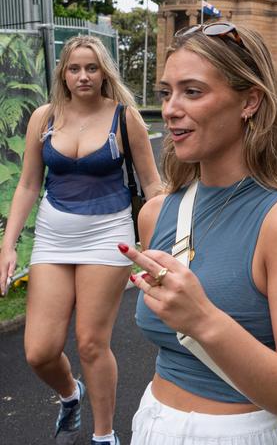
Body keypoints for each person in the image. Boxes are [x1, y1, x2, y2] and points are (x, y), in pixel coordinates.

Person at [121, 21, 277, 445]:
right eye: (167, 92)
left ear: (249, 101)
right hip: (152, 422)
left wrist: (204, 320)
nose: (170, 108)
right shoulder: (156, 213)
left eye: (193, 91)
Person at [0, 35, 161, 445]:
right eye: (75, 68)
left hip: (108, 236)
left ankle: (104, 435)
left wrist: (156, 243)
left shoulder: (125, 118)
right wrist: (8, 244)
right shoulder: (45, 117)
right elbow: (28, 185)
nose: (83, 76)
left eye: (91, 68)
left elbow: (152, 186)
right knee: (39, 350)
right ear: (64, 74)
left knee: (91, 343)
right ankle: (70, 394)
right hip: (54, 237)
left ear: (103, 71)